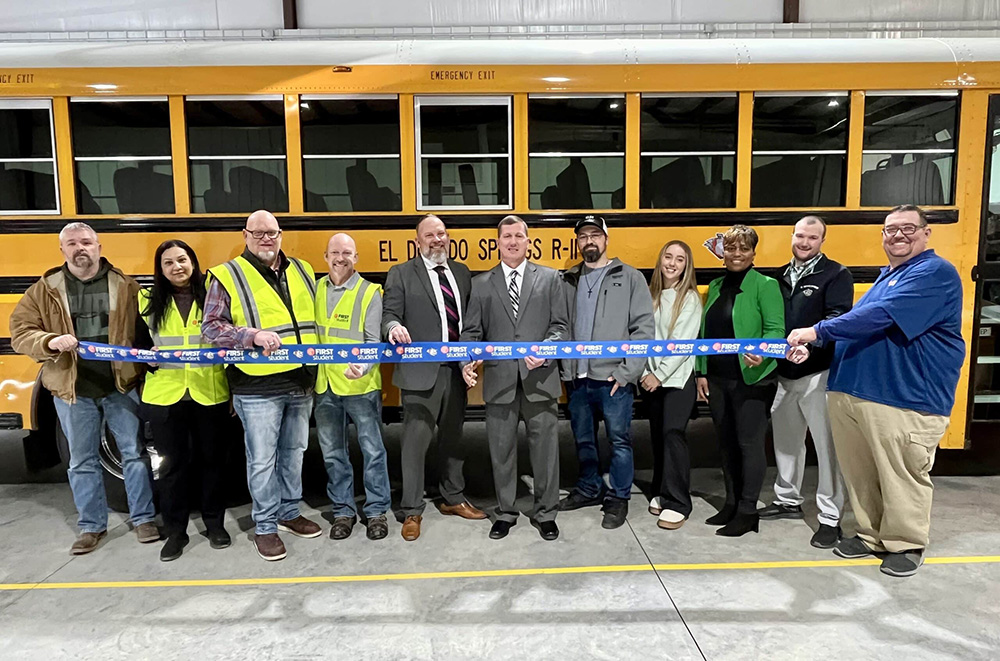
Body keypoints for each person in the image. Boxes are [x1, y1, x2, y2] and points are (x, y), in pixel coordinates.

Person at [788, 204, 965, 577]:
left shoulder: (935, 273)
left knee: (900, 473)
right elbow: (856, 327)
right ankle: (870, 534)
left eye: (907, 228)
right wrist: (814, 347)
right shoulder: (889, 277)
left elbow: (880, 317)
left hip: (904, 397)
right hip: (856, 393)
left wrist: (816, 331)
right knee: (862, 472)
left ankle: (905, 542)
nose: (898, 235)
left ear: (926, 233)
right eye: (890, 229)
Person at [10, 222, 158, 555]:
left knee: (134, 455)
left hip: (120, 385)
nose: (81, 249)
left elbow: (144, 332)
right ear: (62, 250)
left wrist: (152, 358)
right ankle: (91, 526)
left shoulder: (125, 286)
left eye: (87, 242)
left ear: (99, 247)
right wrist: (49, 341)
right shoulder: (45, 289)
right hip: (72, 389)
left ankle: (144, 519)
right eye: (73, 243)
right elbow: (20, 332)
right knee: (81, 461)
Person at [202, 210, 322, 561]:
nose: (266, 239)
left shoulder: (301, 270)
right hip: (256, 386)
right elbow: (211, 326)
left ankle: (288, 512)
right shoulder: (228, 275)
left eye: (272, 232)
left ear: (281, 235)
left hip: (300, 379)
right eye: (259, 233)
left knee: (294, 452)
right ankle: (265, 527)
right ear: (246, 235)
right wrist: (250, 336)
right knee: (261, 460)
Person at [461, 216, 569, 541]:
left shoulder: (551, 279)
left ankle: (546, 513)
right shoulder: (481, 284)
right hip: (500, 383)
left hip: (541, 380)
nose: (512, 241)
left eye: (518, 236)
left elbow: (561, 327)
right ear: (497, 242)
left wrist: (547, 351)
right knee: (502, 452)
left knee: (546, 453)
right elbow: (471, 333)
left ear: (528, 241)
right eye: (506, 236)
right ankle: (505, 512)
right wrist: (469, 359)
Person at [382, 214, 487, 541]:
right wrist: (393, 328)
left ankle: (452, 497)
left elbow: (470, 322)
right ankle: (412, 509)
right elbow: (389, 315)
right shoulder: (401, 274)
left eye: (441, 233)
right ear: (418, 242)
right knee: (415, 443)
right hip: (418, 373)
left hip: (455, 372)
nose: (437, 239)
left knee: (453, 438)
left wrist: (471, 356)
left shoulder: (461, 272)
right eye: (430, 235)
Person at [760, 216, 853, 550]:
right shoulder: (779, 277)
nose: (804, 242)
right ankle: (787, 499)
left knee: (827, 448)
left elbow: (838, 319)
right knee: (786, 442)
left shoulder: (837, 275)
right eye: (800, 235)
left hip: (818, 374)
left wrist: (811, 344)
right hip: (784, 374)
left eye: (812, 237)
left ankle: (830, 518)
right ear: (792, 236)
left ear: (822, 240)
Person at [558, 215, 655, 529]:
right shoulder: (568, 279)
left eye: (595, 234)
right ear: (578, 242)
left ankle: (619, 496)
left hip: (613, 379)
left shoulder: (629, 277)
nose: (589, 240)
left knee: (619, 441)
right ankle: (589, 486)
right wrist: (564, 368)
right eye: (583, 235)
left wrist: (627, 373)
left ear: (606, 239)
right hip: (577, 378)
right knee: (583, 439)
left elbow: (643, 330)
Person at [695, 224, 785, 537]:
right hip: (718, 379)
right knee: (726, 444)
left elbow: (776, 331)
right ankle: (731, 503)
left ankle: (748, 510)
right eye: (731, 248)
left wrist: (763, 352)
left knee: (749, 445)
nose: (736, 254)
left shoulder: (766, 285)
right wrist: (702, 372)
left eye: (743, 248)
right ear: (723, 253)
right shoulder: (716, 285)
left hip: (752, 380)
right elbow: (705, 335)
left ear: (753, 253)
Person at [313, 233, 391, 542]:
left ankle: (376, 512)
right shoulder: (315, 289)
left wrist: (364, 365)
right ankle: (343, 511)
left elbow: (374, 342)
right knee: (333, 453)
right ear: (326, 256)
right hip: (325, 385)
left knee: (372, 451)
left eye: (347, 253)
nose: (340, 258)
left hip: (361, 384)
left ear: (356, 258)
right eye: (335, 252)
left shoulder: (370, 291)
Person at [640, 240, 702, 531]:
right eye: (668, 256)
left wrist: (660, 374)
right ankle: (661, 491)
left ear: (686, 266)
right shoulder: (649, 294)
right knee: (658, 436)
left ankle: (679, 502)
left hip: (676, 380)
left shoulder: (688, 298)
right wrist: (644, 372)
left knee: (672, 434)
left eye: (680, 259)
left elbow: (681, 344)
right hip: (650, 379)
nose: (673, 263)